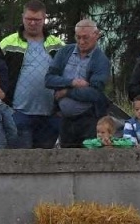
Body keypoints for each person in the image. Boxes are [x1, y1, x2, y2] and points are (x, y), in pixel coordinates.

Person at [0, 0, 65, 149]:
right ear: (22, 17)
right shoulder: (7, 44)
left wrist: (61, 106)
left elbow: (68, 75)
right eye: (29, 19)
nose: (33, 23)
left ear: (44, 19)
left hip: (50, 115)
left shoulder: (58, 46)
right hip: (18, 113)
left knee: (45, 163)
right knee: (20, 162)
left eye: (37, 20)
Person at [47, 18, 111, 148]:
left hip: (89, 119)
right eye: (78, 37)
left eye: (85, 37)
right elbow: (49, 79)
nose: (81, 42)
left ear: (96, 35)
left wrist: (66, 92)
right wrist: (72, 82)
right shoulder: (65, 52)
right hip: (65, 119)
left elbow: (94, 93)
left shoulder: (101, 61)